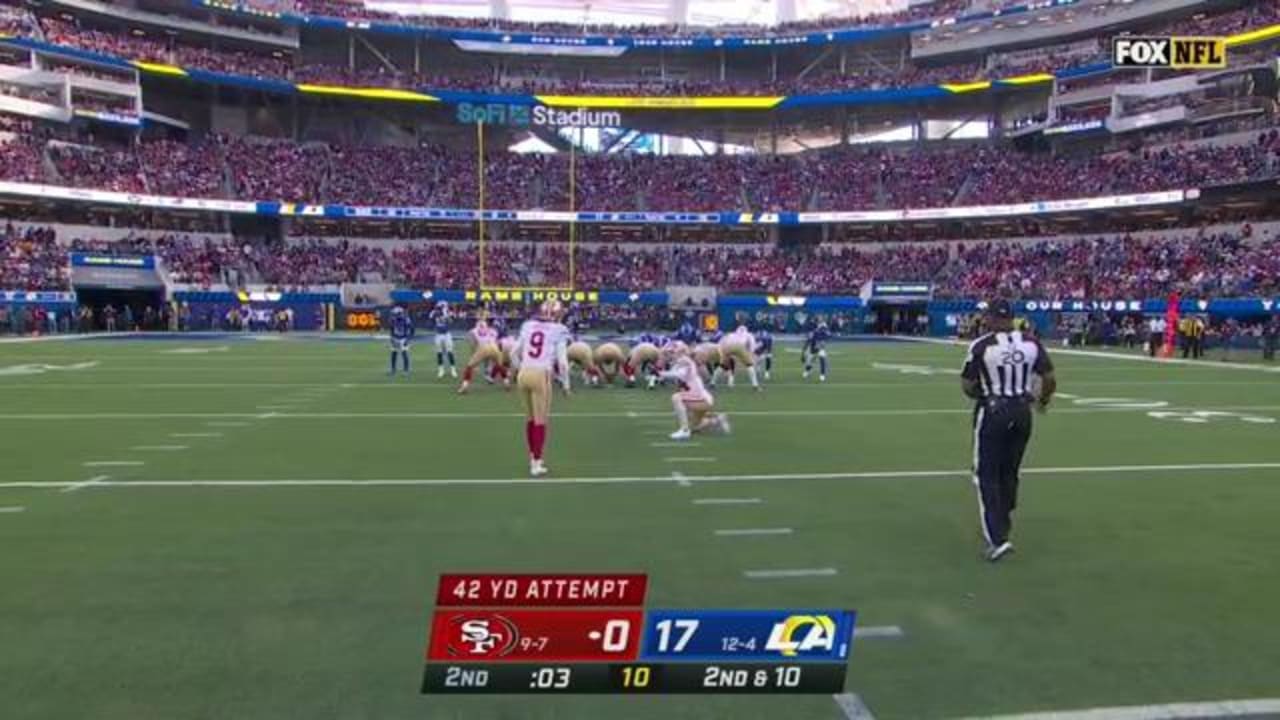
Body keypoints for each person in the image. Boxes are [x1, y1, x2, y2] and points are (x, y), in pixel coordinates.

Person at [961, 300, 1057, 563]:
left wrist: (985, 395)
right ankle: (1004, 516)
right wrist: (1042, 401)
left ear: (991, 318)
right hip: (1022, 411)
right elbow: (1049, 378)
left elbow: (967, 384)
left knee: (985, 474)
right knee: (1009, 470)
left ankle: (998, 538)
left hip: (994, 411)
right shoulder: (1032, 343)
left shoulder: (982, 345)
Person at [512, 300, 571, 477]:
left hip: (523, 373)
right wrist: (566, 384)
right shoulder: (559, 330)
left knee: (530, 419)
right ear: (558, 314)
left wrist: (521, 367)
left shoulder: (528, 325)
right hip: (540, 374)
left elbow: (512, 352)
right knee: (540, 421)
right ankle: (536, 463)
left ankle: (533, 456)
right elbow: (563, 363)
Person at [660, 341, 730, 440]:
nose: (670, 355)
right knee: (695, 427)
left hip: (701, 399)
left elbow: (678, 374)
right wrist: (661, 374)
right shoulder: (682, 361)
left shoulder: (685, 361)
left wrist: (661, 374)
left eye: (672, 352)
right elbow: (675, 374)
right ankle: (717, 421)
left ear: (680, 352)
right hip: (701, 398)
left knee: (676, 398)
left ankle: (684, 430)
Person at [457, 318, 502, 393]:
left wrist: (473, 353)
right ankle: (506, 381)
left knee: (469, 367)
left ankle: (465, 385)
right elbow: (497, 341)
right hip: (494, 347)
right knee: (499, 365)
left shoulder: (473, 331)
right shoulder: (492, 330)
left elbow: (472, 344)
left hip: (483, 347)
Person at [431, 301, 458, 379]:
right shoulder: (435, 313)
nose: (439, 308)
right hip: (438, 334)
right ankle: (441, 369)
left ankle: (453, 370)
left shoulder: (448, 313)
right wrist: (439, 314)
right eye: (439, 307)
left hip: (446, 334)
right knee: (439, 353)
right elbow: (431, 318)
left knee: (450, 352)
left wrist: (446, 315)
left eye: (441, 307)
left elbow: (452, 321)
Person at [388, 306, 414, 376]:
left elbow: (412, 329)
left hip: (403, 338)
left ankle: (406, 370)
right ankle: (393, 370)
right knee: (394, 353)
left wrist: (408, 339)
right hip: (395, 337)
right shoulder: (393, 319)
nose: (394, 315)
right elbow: (391, 329)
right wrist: (392, 338)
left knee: (404, 353)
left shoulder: (406, 319)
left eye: (395, 314)